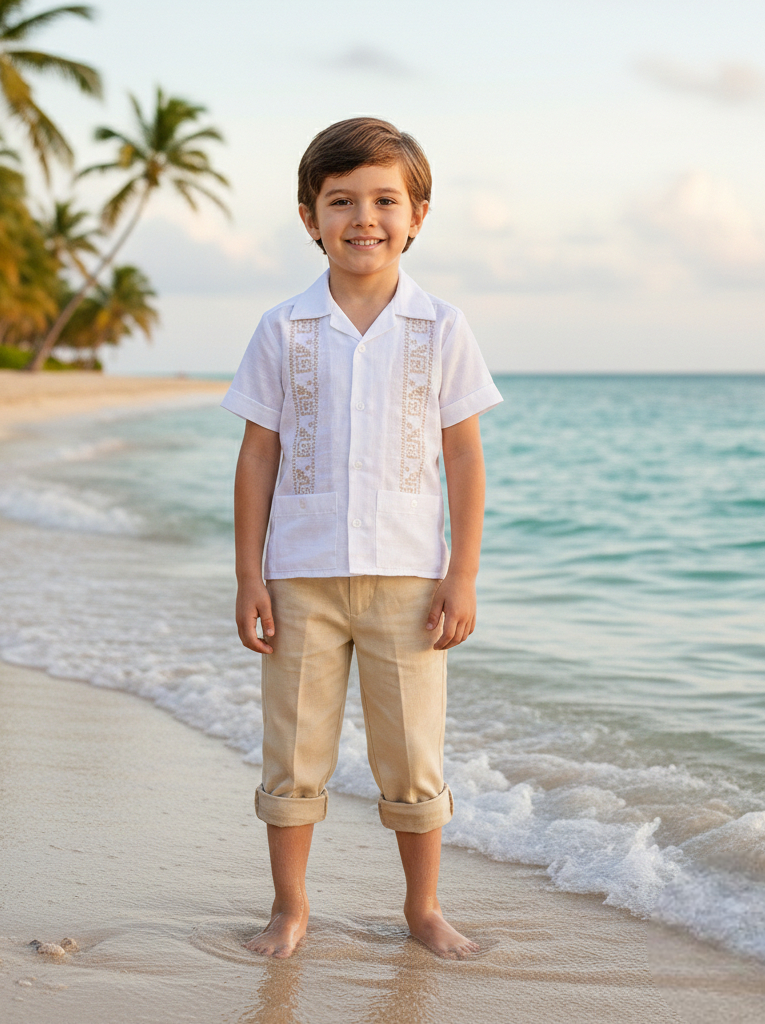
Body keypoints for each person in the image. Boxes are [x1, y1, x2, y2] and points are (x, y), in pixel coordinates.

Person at [221, 117, 502, 960]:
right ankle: (290, 908)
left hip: (411, 581)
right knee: (293, 756)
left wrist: (464, 574)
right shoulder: (283, 327)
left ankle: (422, 909)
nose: (364, 219)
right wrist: (248, 576)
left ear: (418, 215)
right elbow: (257, 453)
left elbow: (464, 455)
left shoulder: (441, 327)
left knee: (413, 758)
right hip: (301, 575)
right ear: (310, 217)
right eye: (341, 201)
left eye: (385, 200)